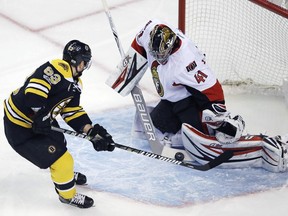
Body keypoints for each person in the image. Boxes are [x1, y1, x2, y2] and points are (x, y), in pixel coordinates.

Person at [107, 18, 288, 172]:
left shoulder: (187, 62)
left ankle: (247, 135)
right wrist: (126, 76)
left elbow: (211, 89)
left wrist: (218, 117)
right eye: (156, 54)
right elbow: (139, 43)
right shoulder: (150, 31)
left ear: (170, 46)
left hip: (190, 100)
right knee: (157, 122)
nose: (158, 58)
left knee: (204, 138)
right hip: (171, 97)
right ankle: (187, 129)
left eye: (162, 54)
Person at [3, 40, 115, 208]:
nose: (85, 66)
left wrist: (91, 131)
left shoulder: (76, 84)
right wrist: (39, 113)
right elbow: (34, 90)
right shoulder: (56, 69)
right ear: (75, 60)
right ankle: (67, 196)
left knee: (60, 141)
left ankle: (65, 175)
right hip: (20, 128)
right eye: (84, 60)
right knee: (63, 161)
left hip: (40, 121)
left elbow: (72, 112)